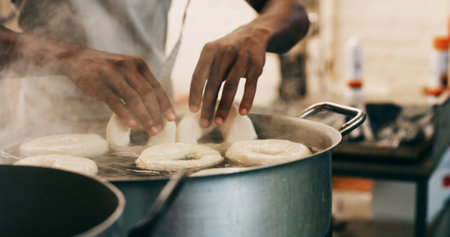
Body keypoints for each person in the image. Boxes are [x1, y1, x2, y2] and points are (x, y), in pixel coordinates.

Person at [0, 0, 309, 135]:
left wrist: (258, 31)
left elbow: (292, 11)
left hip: (154, 128)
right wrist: (68, 58)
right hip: (47, 133)